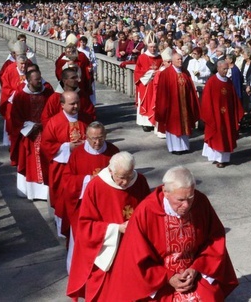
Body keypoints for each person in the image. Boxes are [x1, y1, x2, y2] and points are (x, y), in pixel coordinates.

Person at [99, 166, 238, 301]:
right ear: (165, 192)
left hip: (194, 272)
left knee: (210, 298)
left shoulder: (200, 202)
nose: (186, 205)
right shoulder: (146, 211)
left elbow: (214, 239)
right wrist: (169, 277)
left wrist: (196, 268)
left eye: (190, 198)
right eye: (180, 200)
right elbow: (135, 257)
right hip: (159, 279)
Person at [66, 152, 151, 301]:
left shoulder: (139, 181)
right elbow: (86, 225)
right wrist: (117, 228)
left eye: (129, 176)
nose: (125, 182)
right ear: (111, 171)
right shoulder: (96, 186)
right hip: (109, 249)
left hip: (135, 246)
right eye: (121, 177)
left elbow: (149, 210)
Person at [61, 122, 120, 251]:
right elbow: (67, 179)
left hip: (107, 203)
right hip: (83, 204)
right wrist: (89, 180)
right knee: (82, 238)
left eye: (101, 138)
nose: (97, 143)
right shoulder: (78, 153)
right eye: (93, 139)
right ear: (86, 137)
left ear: (105, 136)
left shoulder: (113, 151)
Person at [39, 91, 87, 237]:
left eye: (77, 102)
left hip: (82, 167)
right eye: (72, 104)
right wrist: (67, 147)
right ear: (62, 105)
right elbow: (46, 146)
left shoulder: (86, 119)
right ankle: (63, 228)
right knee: (62, 197)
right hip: (62, 167)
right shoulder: (54, 123)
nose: (76, 106)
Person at [9, 69, 54, 200]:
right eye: (37, 79)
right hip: (29, 135)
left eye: (40, 78)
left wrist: (46, 124)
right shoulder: (20, 96)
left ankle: (46, 193)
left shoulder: (48, 93)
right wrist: (31, 125)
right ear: (28, 80)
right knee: (30, 163)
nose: (40, 81)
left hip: (46, 133)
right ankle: (31, 192)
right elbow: (15, 117)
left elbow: (54, 111)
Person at [153, 48, 200, 154]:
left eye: (181, 59)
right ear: (173, 61)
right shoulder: (166, 73)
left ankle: (184, 147)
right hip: (172, 107)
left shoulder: (185, 72)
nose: (180, 61)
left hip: (184, 105)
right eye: (178, 59)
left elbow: (191, 88)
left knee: (184, 126)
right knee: (174, 126)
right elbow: (162, 92)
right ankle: (175, 148)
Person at [200, 60, 244, 168]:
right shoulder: (211, 81)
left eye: (227, 69)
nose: (226, 71)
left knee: (227, 135)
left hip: (227, 115)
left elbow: (234, 98)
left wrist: (237, 112)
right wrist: (210, 115)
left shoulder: (229, 82)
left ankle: (225, 159)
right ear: (218, 68)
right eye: (224, 69)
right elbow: (206, 100)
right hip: (216, 115)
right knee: (218, 136)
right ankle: (219, 159)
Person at [133, 34, 162, 132]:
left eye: (154, 47)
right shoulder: (142, 57)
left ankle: (154, 122)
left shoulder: (160, 57)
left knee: (155, 102)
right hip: (145, 84)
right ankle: (145, 123)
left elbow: (163, 69)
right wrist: (150, 73)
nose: (153, 49)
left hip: (156, 84)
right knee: (146, 102)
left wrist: (158, 72)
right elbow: (137, 72)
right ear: (147, 46)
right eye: (151, 47)